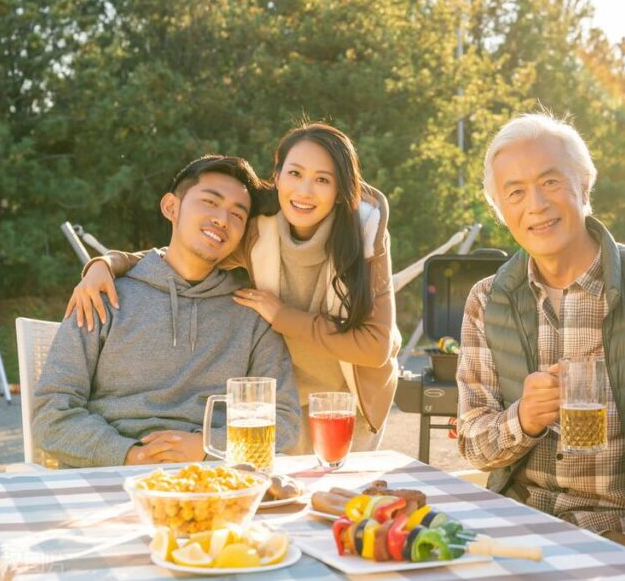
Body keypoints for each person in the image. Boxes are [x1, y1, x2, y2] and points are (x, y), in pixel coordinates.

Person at [456, 112, 625, 570]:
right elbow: (474, 442)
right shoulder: (487, 301)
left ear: (584, 188)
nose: (535, 204)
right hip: (524, 529)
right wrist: (524, 419)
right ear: (501, 210)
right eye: (515, 192)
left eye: (551, 182)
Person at [66, 123, 400, 453]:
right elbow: (185, 250)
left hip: (344, 403)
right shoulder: (256, 229)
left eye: (322, 180)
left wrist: (282, 315)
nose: (304, 191)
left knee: (343, 500)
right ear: (278, 176)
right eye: (295, 174)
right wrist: (107, 264)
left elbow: (375, 347)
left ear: (341, 190)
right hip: (286, 400)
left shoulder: (364, 235)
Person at [33, 156, 301, 468]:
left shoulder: (253, 312)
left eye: (237, 215)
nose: (222, 219)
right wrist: (129, 454)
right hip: (110, 474)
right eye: (209, 202)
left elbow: (283, 421)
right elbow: (51, 412)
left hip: (212, 477)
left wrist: (206, 445)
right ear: (171, 207)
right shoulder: (103, 294)